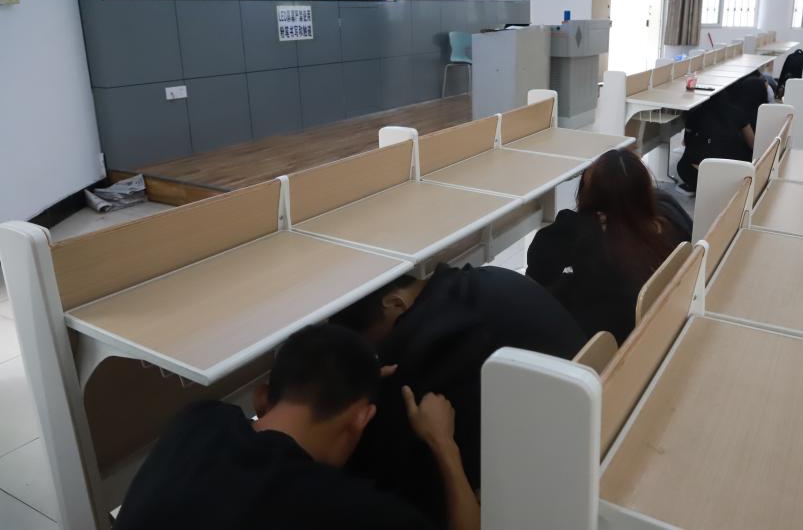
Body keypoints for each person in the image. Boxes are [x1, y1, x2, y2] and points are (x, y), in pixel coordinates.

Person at [114, 323, 479, 530]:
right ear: (361, 419)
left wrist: (349, 385)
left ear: (261, 397)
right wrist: (444, 444)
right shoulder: (358, 513)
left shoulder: (197, 421)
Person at [331, 264, 585, 522]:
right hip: (576, 417)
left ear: (395, 303)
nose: (381, 350)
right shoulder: (484, 278)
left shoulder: (430, 332)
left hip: (556, 466)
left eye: (376, 343)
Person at [527, 148, 686, 344]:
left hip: (602, 339)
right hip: (659, 326)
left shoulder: (577, 228)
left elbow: (537, 271)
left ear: (591, 192)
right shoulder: (667, 213)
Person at [676, 72, 770, 190]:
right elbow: (752, 144)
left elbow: (686, 143)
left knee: (683, 164)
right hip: (734, 176)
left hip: (704, 174)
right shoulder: (738, 113)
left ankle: (701, 187)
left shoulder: (696, 114)